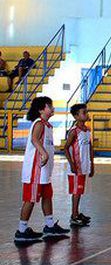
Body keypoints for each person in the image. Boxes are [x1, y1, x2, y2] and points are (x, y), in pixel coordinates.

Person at [15, 96, 70, 243]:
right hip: (35, 169)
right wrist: (44, 153)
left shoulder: (47, 125)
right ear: (41, 110)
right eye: (49, 106)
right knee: (30, 199)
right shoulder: (39, 123)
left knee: (47, 196)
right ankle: (21, 229)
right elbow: (34, 139)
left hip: (44, 171)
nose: (52, 108)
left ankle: (49, 225)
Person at [64, 103, 94, 227]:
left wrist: (92, 164)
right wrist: (71, 164)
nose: (86, 114)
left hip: (85, 164)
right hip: (76, 166)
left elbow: (90, 148)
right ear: (76, 116)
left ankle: (76, 212)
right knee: (76, 191)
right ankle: (74, 216)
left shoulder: (87, 130)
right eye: (84, 112)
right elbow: (65, 148)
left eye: (86, 112)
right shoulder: (73, 132)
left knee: (80, 191)